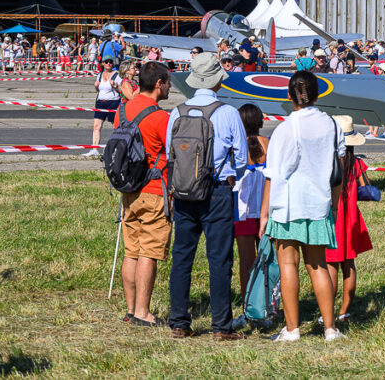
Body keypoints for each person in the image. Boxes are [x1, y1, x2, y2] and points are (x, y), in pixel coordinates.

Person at [165, 53, 249, 341]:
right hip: (216, 191)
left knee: (182, 257)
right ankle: (221, 326)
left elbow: (169, 154)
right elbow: (242, 157)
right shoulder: (227, 113)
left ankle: (179, 321)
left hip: (184, 191)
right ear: (216, 81)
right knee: (219, 259)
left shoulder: (176, 113)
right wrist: (230, 174)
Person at [259, 71, 345, 342]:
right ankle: (330, 329)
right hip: (319, 202)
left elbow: (272, 175)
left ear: (289, 95)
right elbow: (338, 170)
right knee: (317, 265)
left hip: (287, 205)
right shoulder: (332, 125)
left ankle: (293, 328)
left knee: (288, 265)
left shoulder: (285, 128)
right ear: (318, 93)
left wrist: (264, 214)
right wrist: (333, 204)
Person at [114, 61, 173, 326]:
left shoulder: (123, 110)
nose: (170, 86)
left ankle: (130, 309)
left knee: (131, 252)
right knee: (149, 251)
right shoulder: (162, 117)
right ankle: (143, 312)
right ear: (159, 84)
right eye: (168, 82)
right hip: (155, 190)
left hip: (129, 191)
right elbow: (172, 154)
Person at [325, 116, 373, 324]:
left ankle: (328, 311)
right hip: (352, 216)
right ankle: (345, 310)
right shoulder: (357, 163)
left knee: (330, 265)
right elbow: (368, 189)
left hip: (333, 215)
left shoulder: (329, 162)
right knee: (349, 264)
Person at [233, 103, 269, 325]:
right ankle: (264, 308)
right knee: (265, 260)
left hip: (243, 210)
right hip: (265, 209)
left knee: (246, 262)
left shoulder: (238, 146)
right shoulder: (268, 144)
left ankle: (247, 309)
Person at [93, 57, 123, 146]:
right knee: (96, 126)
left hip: (113, 102)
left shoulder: (116, 75)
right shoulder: (99, 75)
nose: (108, 64)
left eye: (110, 62)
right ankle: (94, 149)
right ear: (103, 63)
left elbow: (122, 90)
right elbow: (100, 90)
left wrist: (115, 86)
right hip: (100, 102)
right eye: (106, 62)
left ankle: (119, 147)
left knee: (116, 126)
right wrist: (96, 87)